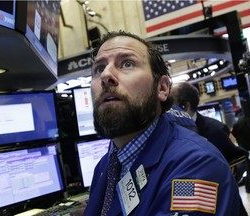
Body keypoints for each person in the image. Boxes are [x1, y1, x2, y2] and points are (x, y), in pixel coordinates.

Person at [83, 30, 243, 215]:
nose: (106, 75)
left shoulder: (197, 166)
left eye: (127, 63)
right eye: (99, 68)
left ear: (162, 88)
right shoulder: (106, 166)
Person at [169, 82, 248, 168]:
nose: (167, 109)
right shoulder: (170, 131)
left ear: (185, 107)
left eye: (170, 105)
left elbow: (240, 159)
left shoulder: (216, 130)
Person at [232, 115, 250, 193]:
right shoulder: (246, 121)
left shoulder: (239, 121)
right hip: (247, 147)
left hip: (243, 148)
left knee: (248, 168)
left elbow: (233, 133)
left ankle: (248, 187)